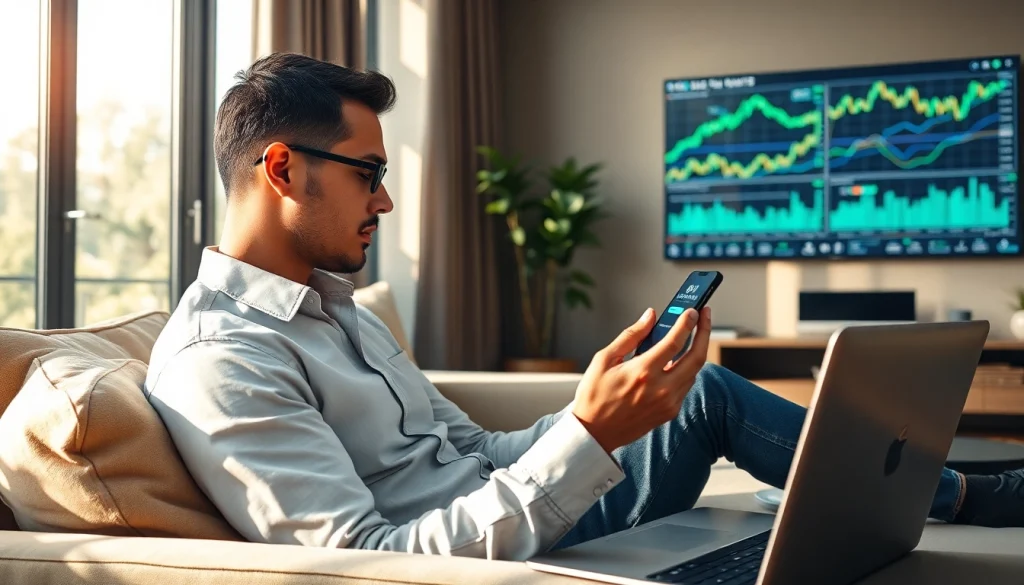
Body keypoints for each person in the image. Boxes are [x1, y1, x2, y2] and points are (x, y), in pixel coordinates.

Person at [144, 52, 1021, 562]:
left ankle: (944, 496)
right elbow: (365, 563)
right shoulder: (221, 356)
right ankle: (958, 500)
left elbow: (475, 451)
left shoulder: (337, 308)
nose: (385, 202)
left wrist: (585, 409)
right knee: (779, 517)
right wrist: (591, 441)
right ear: (283, 170)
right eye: (369, 174)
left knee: (707, 401)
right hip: (501, 555)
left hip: (509, 499)